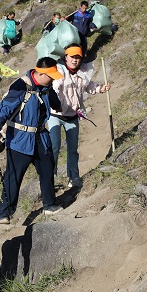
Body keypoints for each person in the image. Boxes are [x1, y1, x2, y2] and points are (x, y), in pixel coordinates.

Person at [0, 57, 64, 224]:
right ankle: (4, 215)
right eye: (51, 76)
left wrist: (59, 105)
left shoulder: (47, 87)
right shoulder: (20, 86)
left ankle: (49, 205)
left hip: (41, 138)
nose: (53, 79)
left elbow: (55, 103)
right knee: (13, 177)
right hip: (19, 140)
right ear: (41, 73)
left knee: (47, 170)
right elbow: (5, 108)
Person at [48, 45, 111, 189]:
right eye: (72, 57)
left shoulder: (83, 73)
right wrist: (55, 100)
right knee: (54, 146)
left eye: (77, 57)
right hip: (55, 114)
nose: (75, 60)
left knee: (72, 148)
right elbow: (54, 87)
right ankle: (50, 177)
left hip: (72, 116)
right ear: (66, 57)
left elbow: (90, 86)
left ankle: (74, 177)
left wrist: (101, 89)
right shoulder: (59, 71)